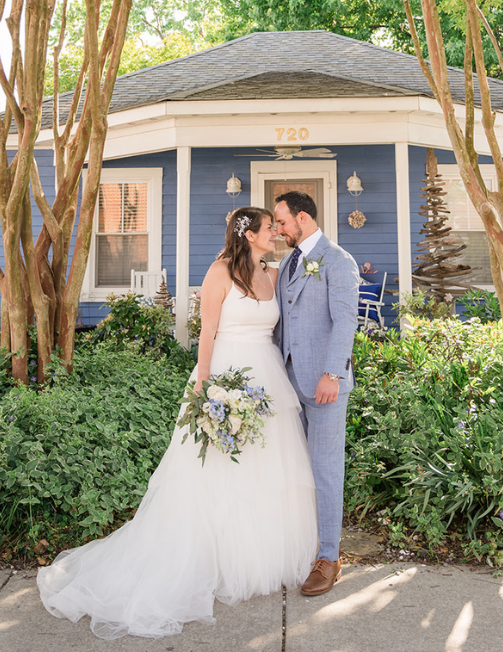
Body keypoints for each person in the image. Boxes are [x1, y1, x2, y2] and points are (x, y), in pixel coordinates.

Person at [39, 207, 317, 639]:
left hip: (268, 378)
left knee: (269, 464)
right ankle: (215, 560)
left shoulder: (273, 271)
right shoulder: (220, 272)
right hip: (226, 374)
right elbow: (206, 331)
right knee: (218, 470)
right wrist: (205, 389)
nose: (275, 234)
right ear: (248, 235)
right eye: (268, 229)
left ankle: (259, 555)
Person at [272, 189, 360, 597]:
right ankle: (304, 545)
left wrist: (332, 374)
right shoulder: (289, 261)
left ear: (303, 218)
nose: (278, 229)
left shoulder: (338, 260)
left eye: (282, 222)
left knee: (325, 469)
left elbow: (345, 322)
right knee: (296, 469)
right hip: (289, 382)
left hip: (325, 386)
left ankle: (329, 557)